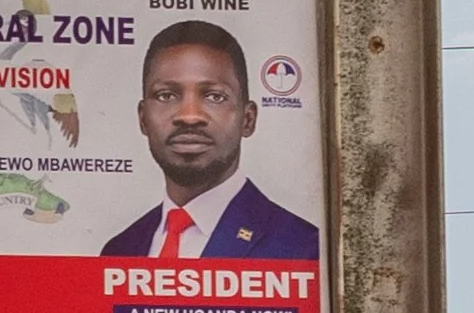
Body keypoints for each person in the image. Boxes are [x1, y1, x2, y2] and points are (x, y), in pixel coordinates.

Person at [102, 21, 321, 263]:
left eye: (214, 96)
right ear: (143, 118)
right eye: (167, 95)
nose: (189, 115)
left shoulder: (304, 247)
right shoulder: (120, 249)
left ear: (247, 119)